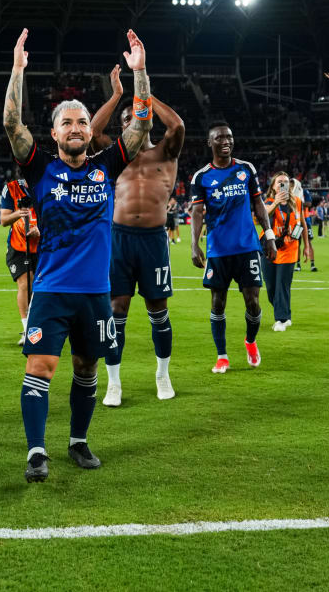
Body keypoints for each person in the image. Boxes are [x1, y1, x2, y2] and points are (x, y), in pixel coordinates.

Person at [4, 28, 151, 483]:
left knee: (87, 369)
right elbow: (12, 123)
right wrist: (17, 71)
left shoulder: (106, 166)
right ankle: (35, 451)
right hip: (50, 289)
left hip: (94, 293)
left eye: (82, 122)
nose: (75, 128)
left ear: (91, 132)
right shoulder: (39, 168)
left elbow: (142, 126)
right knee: (40, 368)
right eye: (67, 122)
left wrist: (140, 72)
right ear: (54, 133)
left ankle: (78, 441)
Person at [88, 64, 185, 406]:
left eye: (140, 114)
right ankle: (114, 382)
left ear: (148, 118)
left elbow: (178, 125)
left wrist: (145, 95)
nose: (134, 118)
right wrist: (118, 96)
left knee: (158, 309)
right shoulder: (115, 156)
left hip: (154, 239)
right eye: (128, 116)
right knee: (117, 309)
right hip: (119, 238)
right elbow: (91, 132)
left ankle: (163, 374)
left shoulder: (166, 151)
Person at [189, 123, 278, 374]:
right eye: (219, 138)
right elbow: (197, 212)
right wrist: (195, 244)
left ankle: (250, 342)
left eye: (229, 136)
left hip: (247, 247)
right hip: (218, 250)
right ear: (210, 143)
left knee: (253, 303)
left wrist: (268, 234)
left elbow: (258, 203)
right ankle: (222, 356)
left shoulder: (245, 169)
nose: (226, 141)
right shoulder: (201, 176)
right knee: (218, 303)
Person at [261, 172, 307, 332]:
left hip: (289, 249)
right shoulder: (266, 202)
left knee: (282, 286)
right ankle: (285, 314)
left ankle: (280, 320)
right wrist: (276, 203)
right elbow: (262, 216)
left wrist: (306, 246)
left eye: (286, 182)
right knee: (271, 288)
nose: (283, 185)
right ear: (273, 186)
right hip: (269, 250)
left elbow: (303, 224)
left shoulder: (297, 203)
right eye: (279, 182)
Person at [0, 178, 39, 346]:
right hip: (18, 245)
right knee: (24, 284)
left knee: (40, 288)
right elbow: (3, 220)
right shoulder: (11, 188)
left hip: (44, 245)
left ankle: (38, 326)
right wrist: (19, 213)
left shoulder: (49, 184)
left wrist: (41, 229)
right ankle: (26, 329)